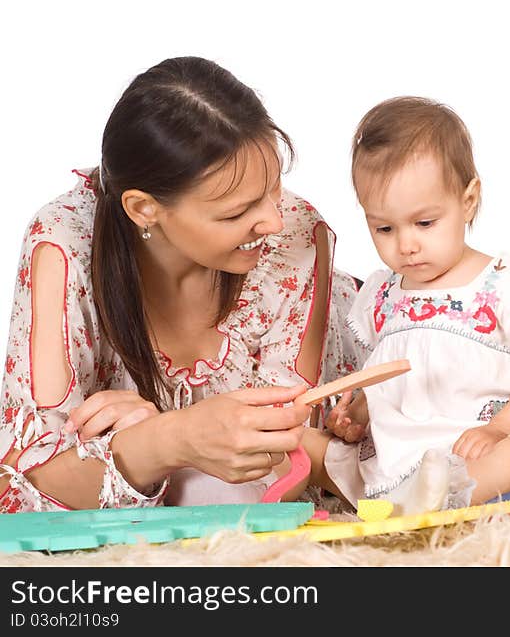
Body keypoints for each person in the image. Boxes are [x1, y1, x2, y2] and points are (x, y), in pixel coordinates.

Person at [0, 56, 366, 513]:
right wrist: (171, 440)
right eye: (235, 212)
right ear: (143, 209)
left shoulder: (294, 234)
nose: (272, 220)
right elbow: (25, 485)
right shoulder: (63, 244)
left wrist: (146, 440)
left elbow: (285, 463)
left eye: (274, 188)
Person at [289, 96, 510, 515]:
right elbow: (384, 380)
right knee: (300, 443)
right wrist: (359, 414)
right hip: (394, 453)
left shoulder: (505, 282)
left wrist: (498, 430)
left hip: (478, 448)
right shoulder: (382, 295)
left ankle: (444, 497)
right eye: (384, 227)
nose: (406, 245)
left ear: (468, 200)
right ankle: (404, 499)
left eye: (425, 223)